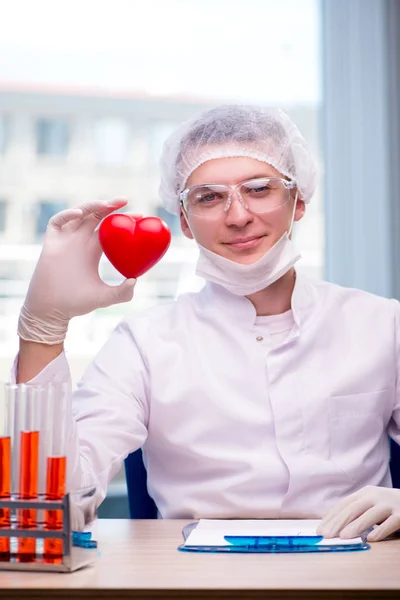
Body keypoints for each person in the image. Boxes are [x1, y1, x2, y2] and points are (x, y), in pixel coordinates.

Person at [15, 105, 400, 542]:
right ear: (184, 220)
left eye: (259, 188)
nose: (237, 216)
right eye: (209, 197)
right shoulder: (144, 345)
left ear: (299, 201)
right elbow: (52, 506)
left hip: (360, 576)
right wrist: (43, 330)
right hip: (197, 579)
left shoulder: (383, 325)